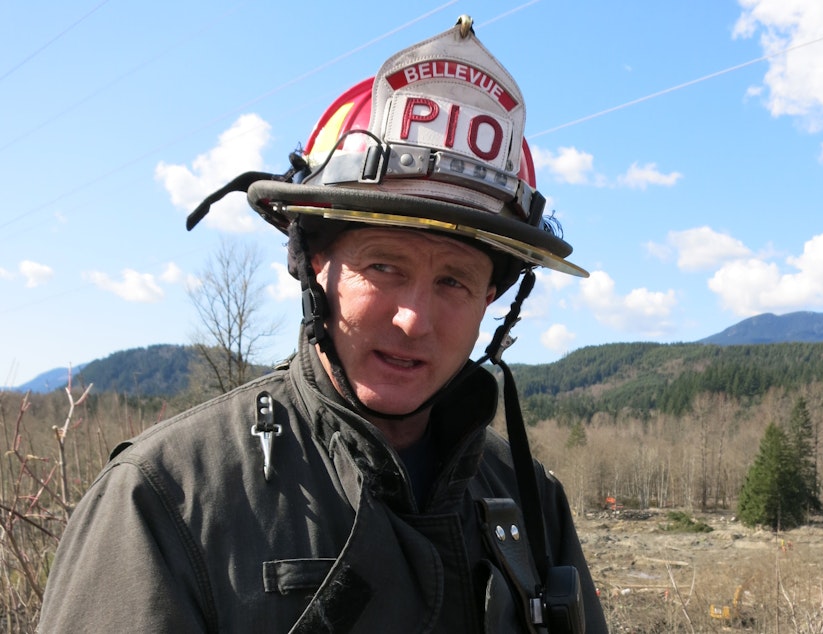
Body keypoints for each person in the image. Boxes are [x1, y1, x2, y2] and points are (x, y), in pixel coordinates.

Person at [39, 16, 608, 633]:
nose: (414, 319)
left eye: (454, 281)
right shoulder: (164, 501)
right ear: (315, 263)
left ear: (492, 299)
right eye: (383, 266)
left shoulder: (529, 501)